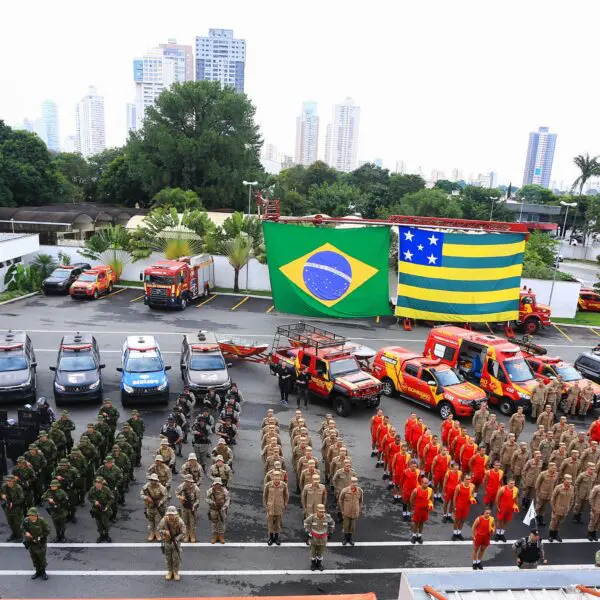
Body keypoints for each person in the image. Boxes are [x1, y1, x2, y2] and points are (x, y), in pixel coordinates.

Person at [158, 506, 186, 581]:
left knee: (176, 558)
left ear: (175, 514)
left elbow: (183, 532)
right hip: (167, 541)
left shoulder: (179, 521)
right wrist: (165, 532)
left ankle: (176, 572)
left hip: (176, 542)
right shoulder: (164, 520)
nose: (171, 516)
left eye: (172, 514)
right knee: (168, 558)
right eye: (169, 514)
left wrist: (177, 539)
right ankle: (170, 571)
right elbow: (159, 529)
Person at [304, 504, 335, 571]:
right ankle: (313, 564)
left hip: (323, 539)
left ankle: (319, 564)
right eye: (320, 511)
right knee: (312, 553)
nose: (322, 513)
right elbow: (306, 523)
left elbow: (332, 524)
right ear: (317, 511)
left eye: (323, 511)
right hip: (314, 539)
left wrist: (331, 532)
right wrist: (307, 532)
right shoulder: (312, 517)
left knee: (320, 553)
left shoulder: (327, 517)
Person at [22, 507, 50, 580]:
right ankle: (37, 571)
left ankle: (43, 572)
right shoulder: (26, 521)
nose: (31, 517)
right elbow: (23, 528)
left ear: (36, 515)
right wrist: (26, 533)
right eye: (30, 515)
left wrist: (39, 538)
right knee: (34, 559)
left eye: (33, 515)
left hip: (40, 543)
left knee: (42, 559)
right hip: (31, 543)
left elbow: (47, 531)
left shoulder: (42, 521)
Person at [263, 470, 289, 546]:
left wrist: (284, 504)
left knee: (278, 523)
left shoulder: (284, 485)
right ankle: (271, 538)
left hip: (279, 506)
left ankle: (276, 537)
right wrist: (266, 505)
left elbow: (286, 495)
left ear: (280, 478)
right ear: (272, 478)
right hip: (270, 506)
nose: (276, 480)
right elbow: (265, 496)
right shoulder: (268, 485)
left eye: (278, 478)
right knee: (270, 522)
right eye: (275, 478)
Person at [141, 473, 168, 541]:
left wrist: (161, 502)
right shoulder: (146, 487)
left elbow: (166, 496)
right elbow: (141, 494)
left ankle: (157, 533)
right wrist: (146, 497)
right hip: (149, 506)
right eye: (152, 480)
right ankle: (152, 533)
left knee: (157, 521)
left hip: (157, 507)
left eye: (155, 480)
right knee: (150, 520)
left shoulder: (161, 487)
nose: (153, 482)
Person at [549, 474, 575, 542]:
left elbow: (572, 499)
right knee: (554, 522)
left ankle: (556, 534)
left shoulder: (572, 488)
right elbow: (553, 498)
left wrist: (569, 508)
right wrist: (553, 508)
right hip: (557, 508)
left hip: (565, 509)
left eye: (570, 481)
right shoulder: (558, 487)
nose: (569, 482)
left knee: (560, 523)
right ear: (564, 480)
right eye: (567, 481)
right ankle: (551, 535)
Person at [88, 476, 114, 543]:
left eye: (99, 482)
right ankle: (101, 535)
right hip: (96, 509)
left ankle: (107, 535)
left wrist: (107, 506)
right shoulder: (92, 489)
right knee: (98, 523)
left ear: (102, 483)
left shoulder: (106, 489)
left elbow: (112, 498)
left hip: (104, 509)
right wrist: (94, 502)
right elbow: (89, 497)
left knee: (105, 523)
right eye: (96, 482)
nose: (97, 484)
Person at [339, 477, 363, 545]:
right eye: (353, 483)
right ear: (350, 483)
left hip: (355, 512)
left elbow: (361, 501)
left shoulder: (360, 491)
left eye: (355, 484)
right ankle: (345, 538)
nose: (354, 485)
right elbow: (340, 500)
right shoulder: (345, 490)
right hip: (346, 512)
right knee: (346, 526)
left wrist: (359, 509)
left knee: (352, 526)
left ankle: (350, 538)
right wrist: (342, 510)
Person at [1, 475, 25, 541]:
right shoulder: (4, 486)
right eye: (7, 481)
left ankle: (19, 535)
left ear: (13, 481)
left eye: (10, 481)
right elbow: (2, 494)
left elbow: (22, 498)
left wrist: (14, 503)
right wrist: (2, 496)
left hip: (16, 508)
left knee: (17, 523)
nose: (8, 482)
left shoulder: (18, 488)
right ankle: (14, 534)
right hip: (7, 507)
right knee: (10, 522)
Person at [410, 476, 433, 544]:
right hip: (418, 510)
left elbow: (431, 499)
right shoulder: (416, 490)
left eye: (427, 483)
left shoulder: (430, 490)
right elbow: (411, 499)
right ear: (421, 483)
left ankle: (419, 536)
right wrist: (414, 507)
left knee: (422, 523)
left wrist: (431, 505)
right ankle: (414, 536)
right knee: (416, 523)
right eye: (425, 483)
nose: (426, 484)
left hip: (425, 510)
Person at [452, 473, 475, 541]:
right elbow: (454, 498)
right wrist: (454, 506)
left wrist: (472, 499)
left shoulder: (472, 486)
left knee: (462, 520)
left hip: (466, 507)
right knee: (456, 520)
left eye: (469, 479)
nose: (468, 480)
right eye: (466, 479)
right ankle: (454, 533)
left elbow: (472, 495)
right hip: (459, 506)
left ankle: (459, 533)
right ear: (464, 479)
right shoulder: (458, 486)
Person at [206, 478, 230, 544]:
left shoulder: (225, 491)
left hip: (222, 509)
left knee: (222, 522)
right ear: (214, 484)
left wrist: (224, 507)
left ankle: (221, 536)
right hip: (213, 509)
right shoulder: (210, 491)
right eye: (216, 484)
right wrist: (212, 502)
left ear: (220, 484)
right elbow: (207, 499)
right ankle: (214, 536)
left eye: (218, 484)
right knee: (214, 523)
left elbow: (227, 500)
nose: (217, 485)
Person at [534, 463, 558, 527]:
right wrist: (537, 492)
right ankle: (535, 518)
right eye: (553, 468)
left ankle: (541, 518)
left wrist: (553, 493)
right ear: (549, 468)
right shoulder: (543, 474)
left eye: (555, 468)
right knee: (538, 506)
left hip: (549, 494)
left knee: (544, 507)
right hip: (541, 493)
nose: (554, 469)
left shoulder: (556, 475)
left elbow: (555, 484)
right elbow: (537, 483)